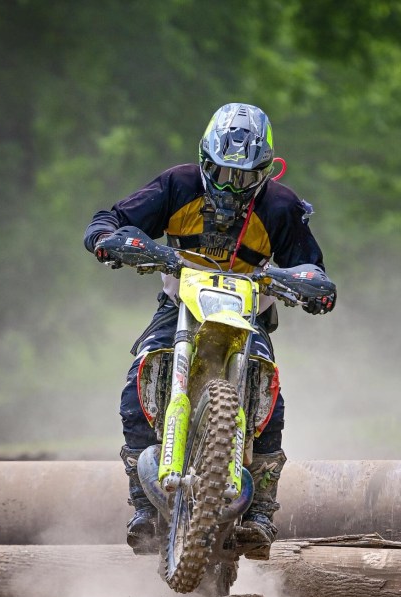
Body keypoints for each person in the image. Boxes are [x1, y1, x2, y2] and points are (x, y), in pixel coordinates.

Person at [84, 102, 335, 558]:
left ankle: (261, 510)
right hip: (180, 303)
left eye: (243, 176)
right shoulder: (177, 185)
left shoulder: (281, 205)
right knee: (138, 379)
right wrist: (107, 238)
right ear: (204, 159)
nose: (230, 185)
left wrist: (313, 287)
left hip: (248, 312)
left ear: (265, 171)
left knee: (269, 396)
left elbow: (311, 266)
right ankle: (142, 503)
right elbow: (113, 218)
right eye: (221, 172)